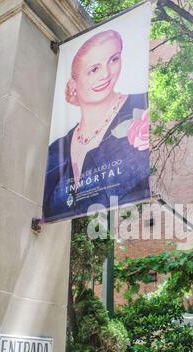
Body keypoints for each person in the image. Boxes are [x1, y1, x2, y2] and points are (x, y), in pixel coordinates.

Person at [43, 30, 150, 222]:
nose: (107, 74)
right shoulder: (54, 152)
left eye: (114, 59)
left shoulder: (142, 109)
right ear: (73, 84)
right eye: (94, 69)